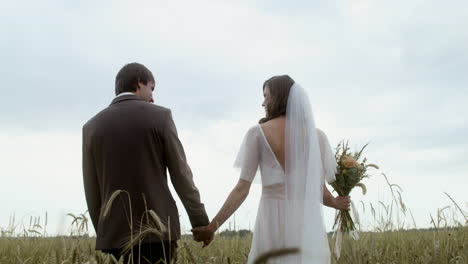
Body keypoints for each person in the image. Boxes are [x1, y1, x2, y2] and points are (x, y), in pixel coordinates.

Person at [192, 75, 350, 263]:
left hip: (270, 223)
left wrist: (213, 226)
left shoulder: (257, 134)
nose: (263, 103)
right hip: (304, 224)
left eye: (266, 96)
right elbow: (318, 191)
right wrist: (336, 202)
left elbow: (241, 189)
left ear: (277, 97)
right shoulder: (318, 138)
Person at [82, 62, 209, 263]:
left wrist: (105, 231)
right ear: (139, 83)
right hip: (158, 234)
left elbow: (92, 188)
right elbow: (182, 175)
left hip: (115, 236)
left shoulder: (91, 127)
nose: (153, 97)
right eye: (152, 88)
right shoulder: (161, 117)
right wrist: (200, 222)